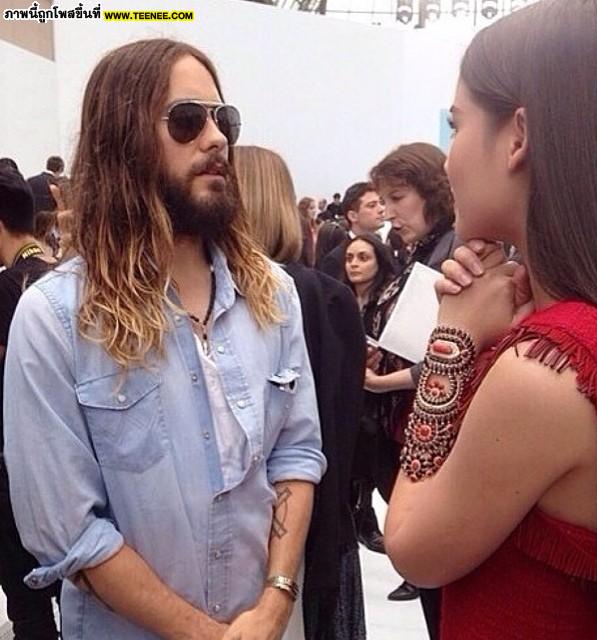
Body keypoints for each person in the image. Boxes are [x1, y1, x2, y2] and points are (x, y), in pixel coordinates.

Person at [4, 38, 326, 640]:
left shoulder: (273, 296)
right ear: (122, 139)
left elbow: (296, 454)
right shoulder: (55, 319)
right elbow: (71, 532)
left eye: (223, 118)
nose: (217, 139)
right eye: (187, 120)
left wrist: (276, 602)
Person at [385, 1, 597, 638]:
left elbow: (413, 546)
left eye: (457, 124)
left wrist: (452, 340)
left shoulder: (547, 373)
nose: (447, 159)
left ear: (518, 136)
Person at [234, 144, 366, 640]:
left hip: (250, 532)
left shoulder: (240, 301)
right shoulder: (332, 299)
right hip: (323, 518)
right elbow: (345, 419)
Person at [367, 142, 459, 622]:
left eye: (398, 197)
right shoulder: (425, 249)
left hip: (431, 435)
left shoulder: (454, 248)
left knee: (440, 597)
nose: (388, 212)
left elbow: (459, 354)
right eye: (384, 200)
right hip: (411, 430)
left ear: (431, 191)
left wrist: (383, 382)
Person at [0, 164, 59, 639]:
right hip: (65, 467)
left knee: (29, 609)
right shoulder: (58, 279)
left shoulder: (6, 289)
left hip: (12, 473)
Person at [343, 233, 397, 555]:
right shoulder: (339, 298)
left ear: (379, 260)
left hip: (387, 401)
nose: (354, 264)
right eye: (350, 258)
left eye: (363, 257)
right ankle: (363, 515)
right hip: (354, 400)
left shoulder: (388, 302)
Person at [317, 182, 385, 280]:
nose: (381, 209)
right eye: (372, 205)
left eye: (381, 203)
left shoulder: (385, 250)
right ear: (353, 216)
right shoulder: (336, 260)